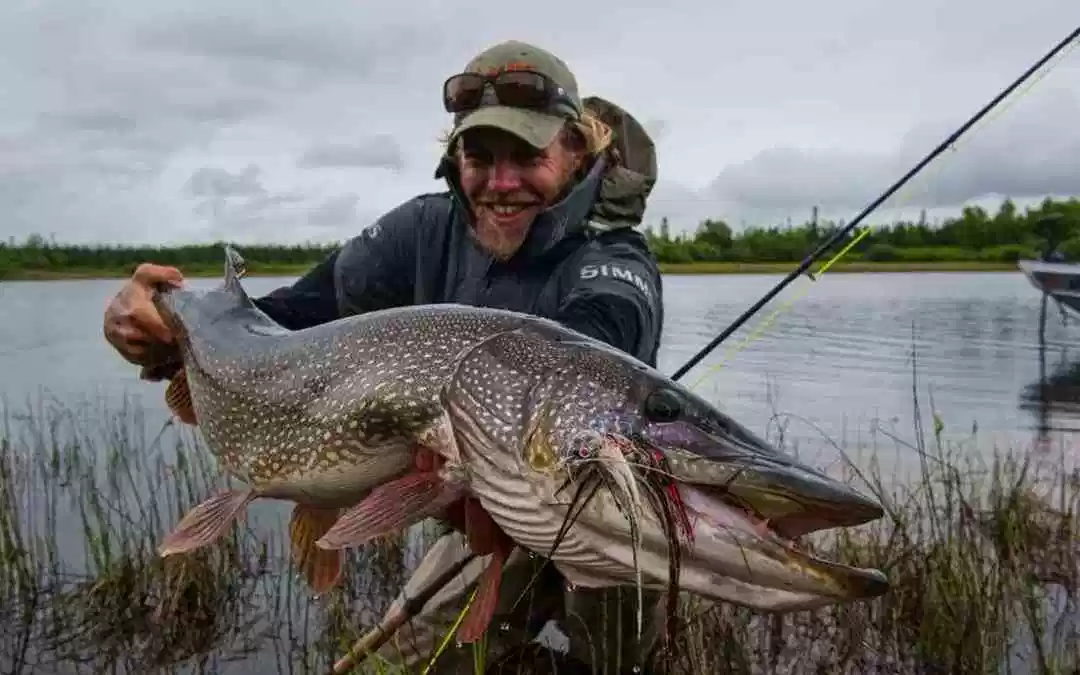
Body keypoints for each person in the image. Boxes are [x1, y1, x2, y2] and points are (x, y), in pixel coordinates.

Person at [103, 39, 666, 674]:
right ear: (455, 156)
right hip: (472, 516)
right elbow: (283, 324)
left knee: (621, 653)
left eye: (528, 156)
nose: (502, 183)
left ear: (575, 151)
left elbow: (601, 339)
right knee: (412, 662)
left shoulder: (616, 258)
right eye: (480, 156)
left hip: (600, 511)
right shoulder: (421, 233)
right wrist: (156, 335)